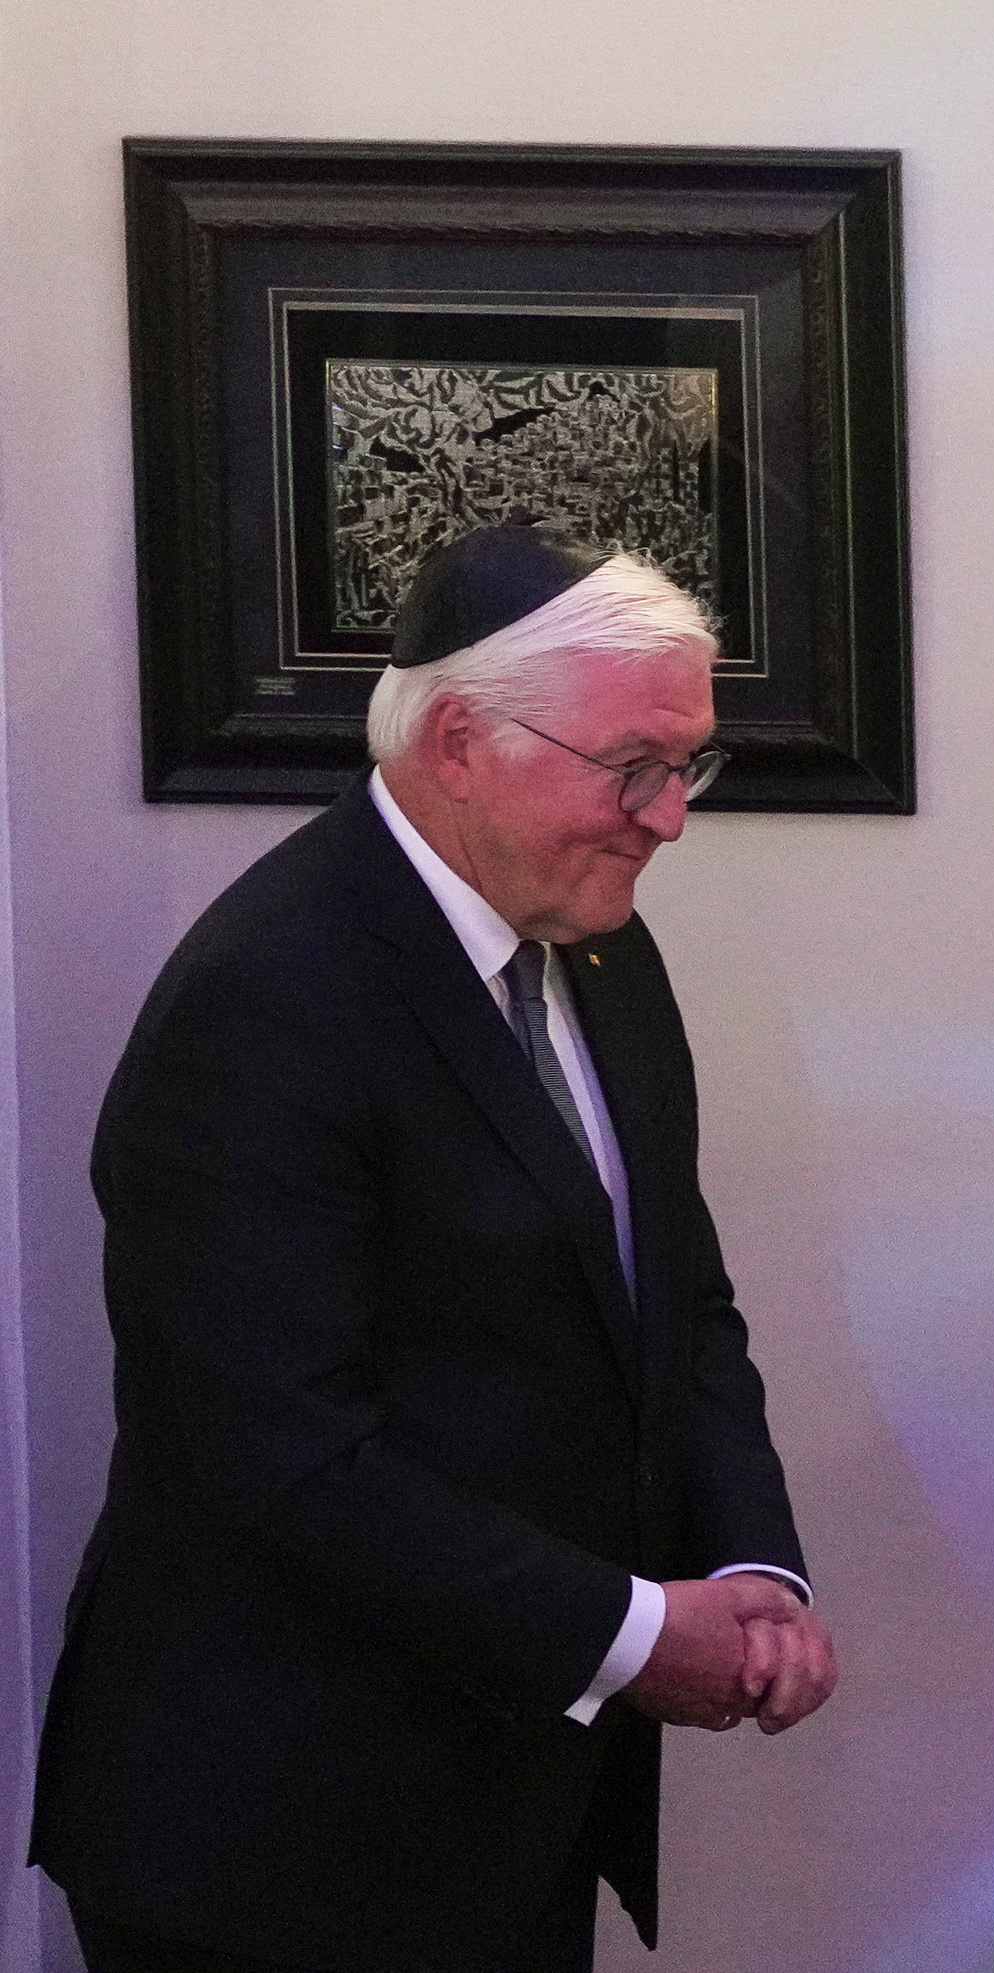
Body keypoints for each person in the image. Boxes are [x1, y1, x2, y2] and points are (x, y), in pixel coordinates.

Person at [32, 521, 838, 1973]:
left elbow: (678, 1304)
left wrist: (754, 1566)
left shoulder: (598, 943)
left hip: (512, 1795)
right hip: (282, 1836)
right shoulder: (270, 996)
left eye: (689, 765)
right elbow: (280, 1452)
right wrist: (639, 1634)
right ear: (461, 738)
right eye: (634, 767)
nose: (670, 818)